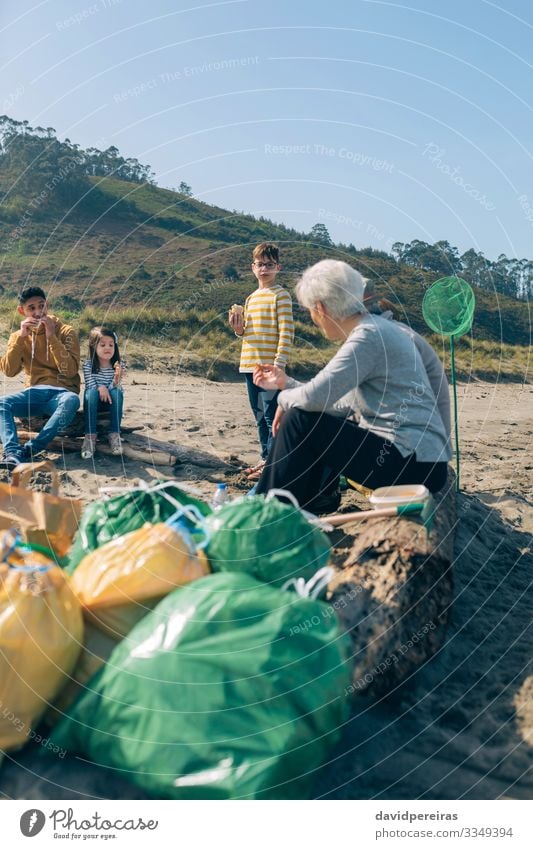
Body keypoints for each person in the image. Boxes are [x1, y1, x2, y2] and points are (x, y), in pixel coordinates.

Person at [253, 260, 451, 513]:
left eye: (310, 312)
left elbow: (315, 397)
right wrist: (288, 387)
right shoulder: (377, 329)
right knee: (308, 417)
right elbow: (340, 404)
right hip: (422, 462)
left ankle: (263, 514)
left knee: (299, 420)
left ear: (320, 308)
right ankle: (300, 507)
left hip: (413, 463)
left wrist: (283, 399)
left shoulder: (368, 336)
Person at [229, 242, 294, 480]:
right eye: (259, 264)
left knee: (271, 415)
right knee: (258, 415)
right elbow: (246, 333)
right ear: (252, 267)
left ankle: (273, 463)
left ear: (278, 267)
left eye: (269, 264)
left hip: (269, 366)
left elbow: (287, 331)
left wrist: (279, 363)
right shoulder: (250, 297)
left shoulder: (281, 295)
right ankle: (265, 458)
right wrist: (238, 330)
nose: (264, 269)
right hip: (248, 364)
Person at [0, 286, 80, 470]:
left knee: (72, 401)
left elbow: (70, 371)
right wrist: (21, 337)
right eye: (31, 308)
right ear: (22, 311)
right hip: (34, 393)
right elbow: (10, 371)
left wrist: (52, 337)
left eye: (41, 306)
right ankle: (12, 452)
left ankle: (27, 451)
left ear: (47, 305)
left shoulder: (66, 331)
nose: (38, 312)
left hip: (63, 393)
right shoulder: (17, 336)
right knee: (1, 403)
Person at [81, 326, 125, 459]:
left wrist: (117, 379)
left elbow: (115, 386)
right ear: (94, 346)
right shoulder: (88, 365)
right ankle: (90, 437)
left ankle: (114, 434)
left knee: (117, 391)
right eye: (103, 344)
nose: (108, 348)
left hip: (110, 402)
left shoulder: (119, 365)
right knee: (91, 392)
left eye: (111, 345)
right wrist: (101, 387)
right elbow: (90, 383)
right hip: (93, 401)